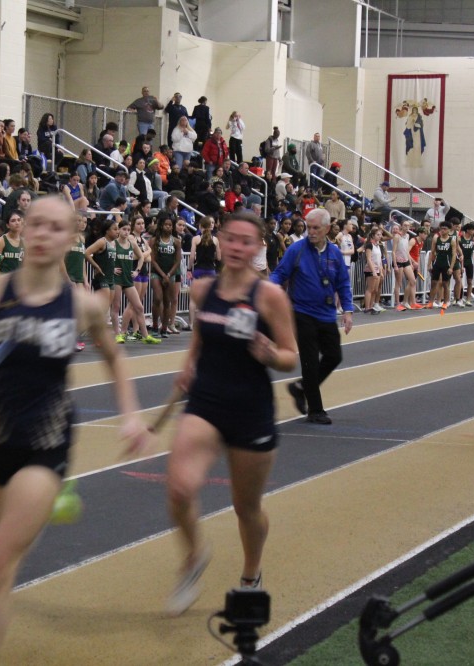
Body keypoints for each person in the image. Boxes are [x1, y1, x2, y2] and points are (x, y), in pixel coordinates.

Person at [0, 194, 149, 666]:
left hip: (46, 439)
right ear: (23, 230)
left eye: (55, 227)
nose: (43, 234)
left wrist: (130, 416)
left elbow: (114, 358)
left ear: (71, 239)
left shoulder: (82, 304)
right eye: (36, 224)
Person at [165, 210, 298, 615]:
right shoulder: (203, 289)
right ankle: (194, 555)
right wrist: (189, 363)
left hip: (250, 410)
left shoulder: (269, 296)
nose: (237, 247)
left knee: (247, 508)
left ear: (258, 247)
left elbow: (291, 357)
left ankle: (251, 574)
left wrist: (270, 354)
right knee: (179, 488)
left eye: (246, 241)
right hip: (205, 403)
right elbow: (202, 333)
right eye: (231, 238)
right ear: (220, 241)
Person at [270, 208, 353, 425]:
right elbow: (280, 273)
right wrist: (269, 288)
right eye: (309, 228)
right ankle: (315, 410)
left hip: (326, 314)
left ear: (327, 228)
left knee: (334, 356)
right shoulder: (296, 250)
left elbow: (343, 283)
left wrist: (348, 310)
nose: (312, 232)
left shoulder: (334, 253)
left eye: (316, 228)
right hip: (301, 312)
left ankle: (300, 387)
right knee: (310, 361)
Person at [113, 219, 160, 344]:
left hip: (128, 279)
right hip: (117, 279)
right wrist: (111, 268)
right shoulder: (113, 244)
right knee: (116, 307)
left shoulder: (132, 243)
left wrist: (137, 271)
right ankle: (119, 334)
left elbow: (141, 258)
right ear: (119, 230)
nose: (126, 232)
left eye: (128, 230)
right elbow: (105, 257)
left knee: (139, 307)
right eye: (124, 229)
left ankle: (145, 336)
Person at [151, 216, 182, 337]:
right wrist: (163, 275)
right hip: (157, 273)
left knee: (167, 301)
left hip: (171, 274)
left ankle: (164, 328)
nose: (168, 227)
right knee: (157, 298)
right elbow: (153, 260)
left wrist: (168, 274)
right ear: (161, 226)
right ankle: (154, 325)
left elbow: (178, 261)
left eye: (170, 225)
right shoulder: (154, 240)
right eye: (166, 225)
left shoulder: (176, 241)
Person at [426, 221, 456, 309]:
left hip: (446, 264)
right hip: (437, 263)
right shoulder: (436, 239)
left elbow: (454, 254)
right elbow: (432, 252)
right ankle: (431, 302)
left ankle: (445, 302)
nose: (443, 230)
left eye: (445, 229)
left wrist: (451, 267)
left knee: (445, 284)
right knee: (434, 282)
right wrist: (429, 264)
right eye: (441, 229)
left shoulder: (452, 240)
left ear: (449, 230)